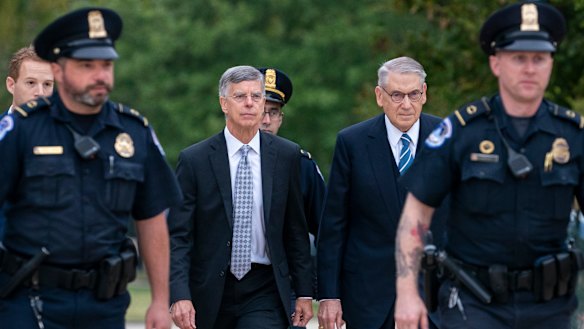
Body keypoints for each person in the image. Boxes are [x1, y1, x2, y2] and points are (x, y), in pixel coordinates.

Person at [394, 2, 581, 329]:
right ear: (495, 63)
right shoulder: (462, 132)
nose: (529, 69)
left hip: (550, 306)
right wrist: (406, 293)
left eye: (539, 59)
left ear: (551, 63)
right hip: (474, 304)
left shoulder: (572, 136)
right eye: (518, 58)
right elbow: (416, 215)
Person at [0, 7, 182, 329]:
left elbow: (151, 217)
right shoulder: (21, 130)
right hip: (30, 302)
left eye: (106, 65)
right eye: (87, 65)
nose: (100, 75)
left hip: (104, 305)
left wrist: (158, 298)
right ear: (59, 70)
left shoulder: (134, 133)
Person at [168, 65, 314, 329]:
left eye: (256, 97)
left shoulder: (286, 156)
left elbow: (295, 230)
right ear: (224, 104)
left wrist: (304, 291)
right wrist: (179, 294)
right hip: (210, 286)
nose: (249, 103)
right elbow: (179, 235)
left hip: (264, 287)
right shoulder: (195, 160)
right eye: (240, 97)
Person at [317, 56, 443, 329]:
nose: (406, 104)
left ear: (424, 94)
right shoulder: (352, 143)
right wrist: (329, 295)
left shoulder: (447, 139)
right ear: (379, 96)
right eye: (397, 95)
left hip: (436, 296)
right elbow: (334, 224)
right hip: (369, 297)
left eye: (413, 94)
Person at [258, 67, 326, 328]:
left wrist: (325, 291)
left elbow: (326, 230)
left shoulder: (301, 166)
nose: (265, 120)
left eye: (272, 113)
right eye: (261, 110)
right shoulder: (217, 160)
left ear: (281, 119)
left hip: (284, 288)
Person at [0, 46, 54, 240]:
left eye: (48, 84)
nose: (40, 92)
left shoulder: (70, 137)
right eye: (31, 82)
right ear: (11, 85)